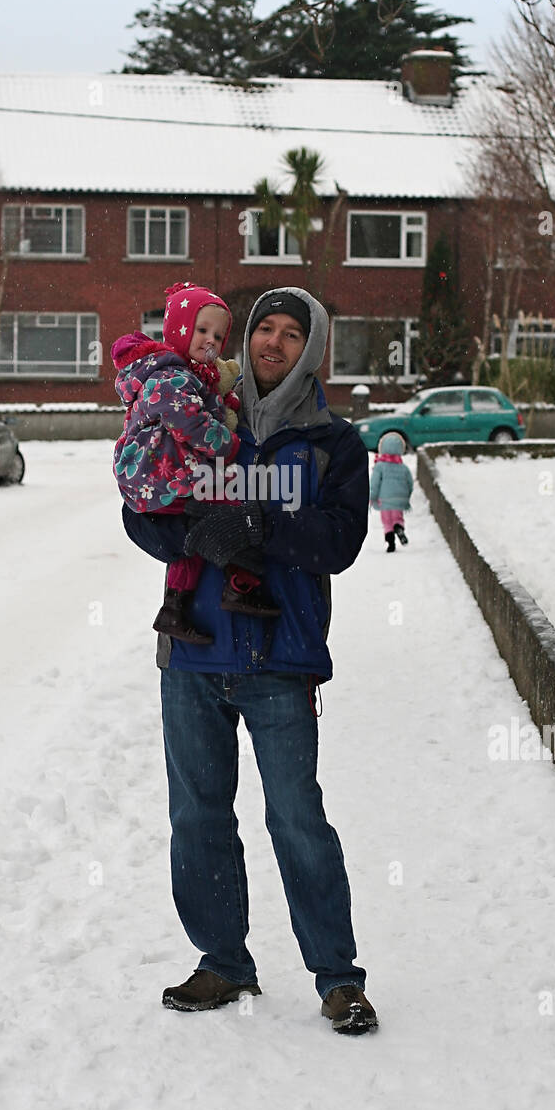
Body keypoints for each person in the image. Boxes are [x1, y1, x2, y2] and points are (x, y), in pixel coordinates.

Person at [120, 286, 377, 1035]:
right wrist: (198, 538)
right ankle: (223, 963)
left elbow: (339, 542)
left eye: (292, 333)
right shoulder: (201, 416)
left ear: (312, 348)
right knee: (197, 816)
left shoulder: (333, 443)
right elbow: (141, 510)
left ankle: (337, 976)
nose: (273, 341)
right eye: (263, 327)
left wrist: (256, 527)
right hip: (193, 655)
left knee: (298, 818)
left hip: (282, 657)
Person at [111, 282, 278, 645]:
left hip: (160, 477)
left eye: (218, 336)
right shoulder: (169, 376)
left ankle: (174, 607)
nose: (211, 342)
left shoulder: (188, 376)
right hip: (160, 473)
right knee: (236, 507)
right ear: (178, 330)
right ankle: (240, 585)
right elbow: (191, 423)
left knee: (193, 539)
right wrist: (227, 444)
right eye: (202, 330)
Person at [370, 431, 414, 552]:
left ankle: (390, 543)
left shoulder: (380, 466)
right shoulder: (403, 467)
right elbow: (410, 483)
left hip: (384, 500)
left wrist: (372, 497)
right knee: (397, 517)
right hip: (399, 499)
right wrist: (406, 497)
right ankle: (399, 527)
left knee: (387, 521)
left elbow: (374, 483)